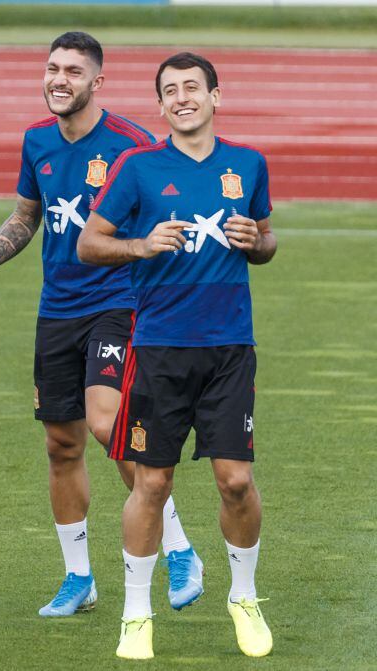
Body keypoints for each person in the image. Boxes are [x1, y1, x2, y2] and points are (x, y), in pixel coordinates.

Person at [0, 31, 202, 617]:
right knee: (61, 443)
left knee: (104, 422)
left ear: (98, 81)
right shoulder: (37, 140)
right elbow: (28, 213)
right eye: (51, 68)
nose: (58, 80)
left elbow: (171, 218)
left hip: (119, 303)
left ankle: (180, 549)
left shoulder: (130, 145)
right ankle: (79, 580)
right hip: (57, 310)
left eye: (72, 71)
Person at [77, 51, 276, 660]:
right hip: (159, 349)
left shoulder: (248, 164)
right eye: (171, 90)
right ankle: (137, 615)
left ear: (217, 96)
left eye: (194, 87)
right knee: (153, 482)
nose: (183, 97)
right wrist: (140, 245)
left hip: (229, 349)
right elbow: (89, 243)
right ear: (160, 104)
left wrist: (258, 240)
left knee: (236, 480)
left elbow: (266, 241)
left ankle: (243, 596)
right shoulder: (137, 169)